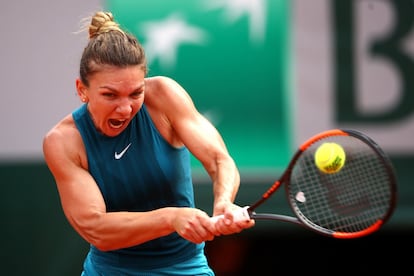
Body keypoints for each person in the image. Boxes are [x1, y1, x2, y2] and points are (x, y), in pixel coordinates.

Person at [42, 11, 254, 275]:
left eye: (135, 93)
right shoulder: (63, 141)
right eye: (110, 95)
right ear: (82, 89)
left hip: (185, 266)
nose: (125, 108)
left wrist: (223, 201)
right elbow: (97, 229)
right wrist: (172, 217)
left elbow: (219, 159)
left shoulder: (164, 96)